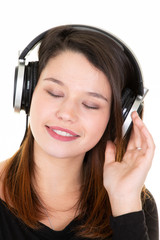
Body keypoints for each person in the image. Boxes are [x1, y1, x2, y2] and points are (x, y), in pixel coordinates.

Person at [0, 25, 159, 240]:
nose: (67, 113)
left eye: (91, 104)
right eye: (54, 92)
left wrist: (124, 201)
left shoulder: (133, 202)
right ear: (27, 92)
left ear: (116, 120)